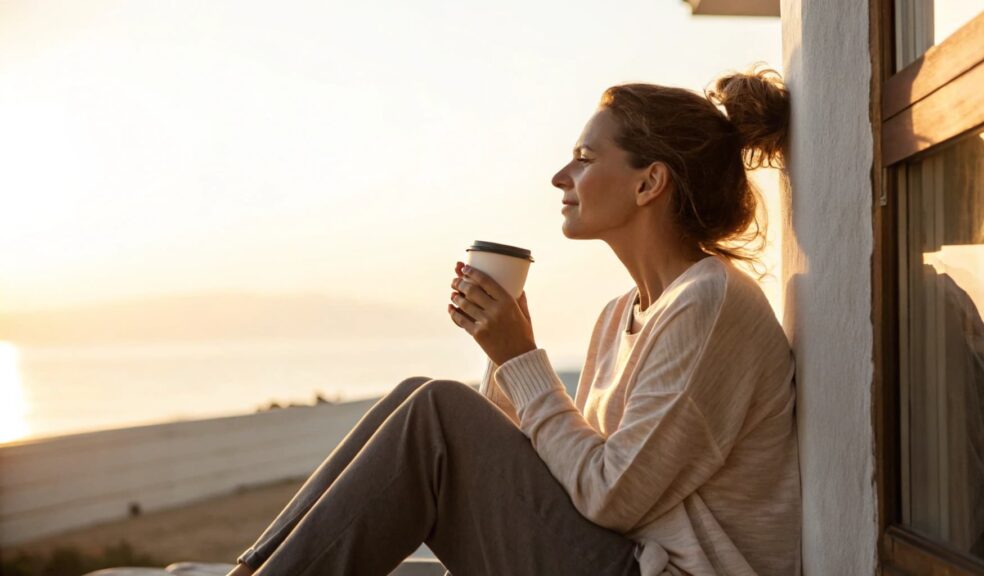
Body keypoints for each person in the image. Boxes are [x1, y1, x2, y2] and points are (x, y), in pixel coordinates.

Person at [227, 64, 799, 576]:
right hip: (615, 551)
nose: (560, 177)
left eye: (584, 159)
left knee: (437, 412)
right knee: (419, 396)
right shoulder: (621, 314)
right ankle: (252, 570)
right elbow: (557, 468)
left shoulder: (710, 303)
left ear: (648, 183)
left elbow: (612, 496)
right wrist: (500, 352)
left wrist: (519, 357)